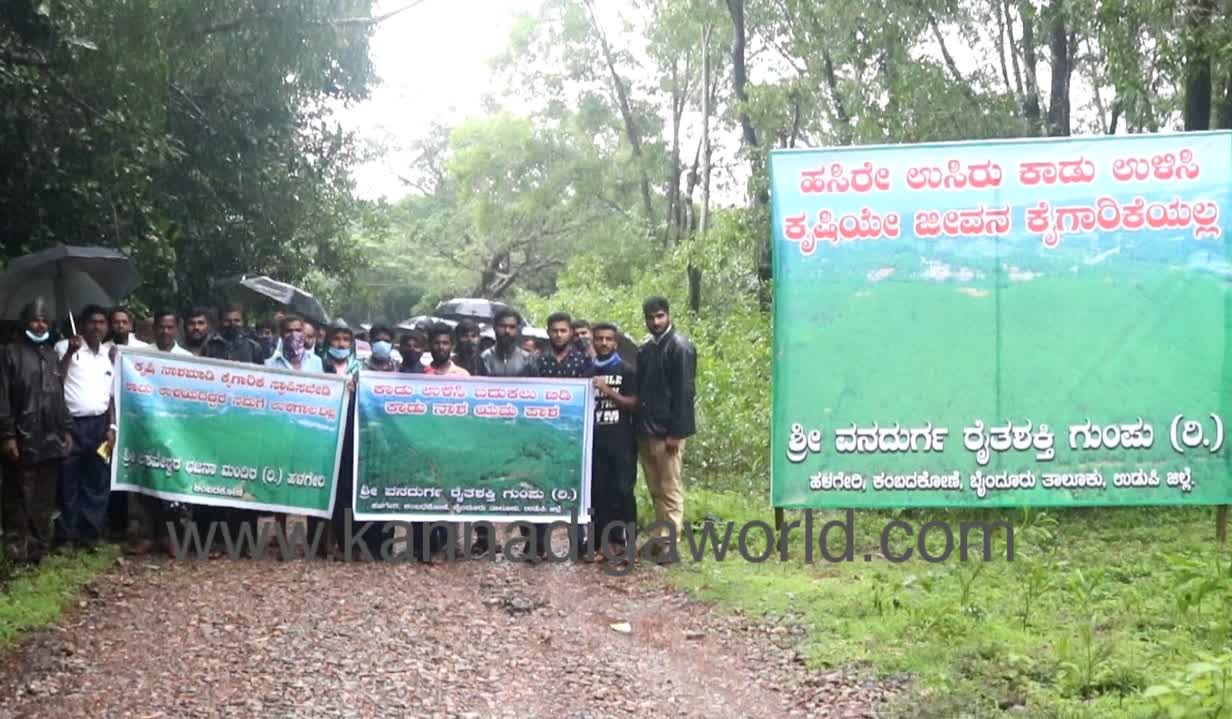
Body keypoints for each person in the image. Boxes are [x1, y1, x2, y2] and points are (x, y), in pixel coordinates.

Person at [0, 300, 72, 563]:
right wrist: (7, 435)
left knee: (44, 498)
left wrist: (66, 429)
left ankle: (38, 549)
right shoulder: (9, 353)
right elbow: (2, 397)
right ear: (25, 322)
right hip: (22, 437)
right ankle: (16, 551)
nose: (40, 325)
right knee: (18, 496)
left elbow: (59, 395)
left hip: (50, 438)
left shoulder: (51, 354)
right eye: (35, 319)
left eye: (44, 320)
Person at [635, 296, 696, 562]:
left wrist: (677, 432)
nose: (656, 322)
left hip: (668, 432)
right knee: (656, 489)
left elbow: (685, 393)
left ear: (669, 315)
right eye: (651, 317)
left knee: (670, 489)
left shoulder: (680, 347)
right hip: (646, 430)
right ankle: (659, 540)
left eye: (660, 316)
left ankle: (670, 545)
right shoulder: (646, 349)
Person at [533, 312, 593, 560]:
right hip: (543, 432)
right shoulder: (538, 361)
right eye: (554, 331)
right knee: (541, 486)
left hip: (573, 435)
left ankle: (578, 543)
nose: (558, 335)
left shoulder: (582, 360)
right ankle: (537, 544)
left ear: (570, 332)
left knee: (573, 487)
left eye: (563, 331)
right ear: (548, 332)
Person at [53, 305, 114, 549]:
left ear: (106, 327)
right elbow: (54, 380)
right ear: (82, 324)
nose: (96, 327)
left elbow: (111, 395)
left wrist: (112, 427)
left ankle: (90, 535)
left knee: (97, 480)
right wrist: (70, 352)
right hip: (72, 425)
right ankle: (66, 535)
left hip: (100, 425)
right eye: (92, 322)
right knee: (68, 481)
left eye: (101, 322)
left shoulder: (109, 354)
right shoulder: (64, 347)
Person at [129, 308, 189, 555]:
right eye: (161, 327)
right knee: (146, 480)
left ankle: (169, 536)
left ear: (177, 329)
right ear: (154, 329)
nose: (165, 331)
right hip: (147, 428)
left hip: (176, 431)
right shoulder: (140, 357)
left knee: (172, 481)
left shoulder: (187, 359)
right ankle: (146, 535)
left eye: (169, 327)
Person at [590, 323, 638, 561]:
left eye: (608, 339)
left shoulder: (626, 370)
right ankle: (603, 545)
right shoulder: (587, 370)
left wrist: (608, 391)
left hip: (622, 441)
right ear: (593, 341)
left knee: (623, 492)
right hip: (595, 442)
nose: (604, 343)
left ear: (616, 343)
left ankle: (630, 545)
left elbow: (634, 404)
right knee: (600, 494)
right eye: (599, 339)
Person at [479, 309, 538, 378]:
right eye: (502, 326)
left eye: (512, 327)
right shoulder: (484, 358)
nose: (507, 331)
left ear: (518, 329)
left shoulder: (527, 360)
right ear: (494, 327)